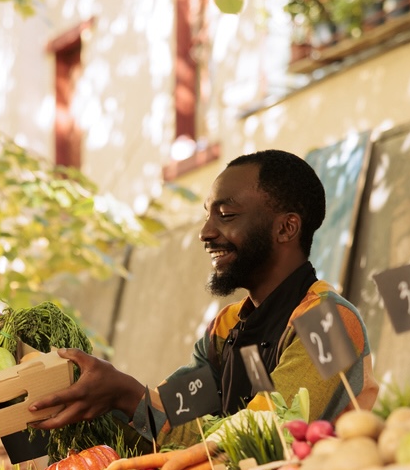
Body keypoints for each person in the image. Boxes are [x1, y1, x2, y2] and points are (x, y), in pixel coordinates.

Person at [32, 149, 378, 438]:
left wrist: (127, 395)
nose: (205, 232)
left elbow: (264, 435)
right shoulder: (226, 328)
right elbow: (171, 414)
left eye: (226, 215)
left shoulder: (329, 323)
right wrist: (95, 395)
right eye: (208, 215)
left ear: (286, 228)